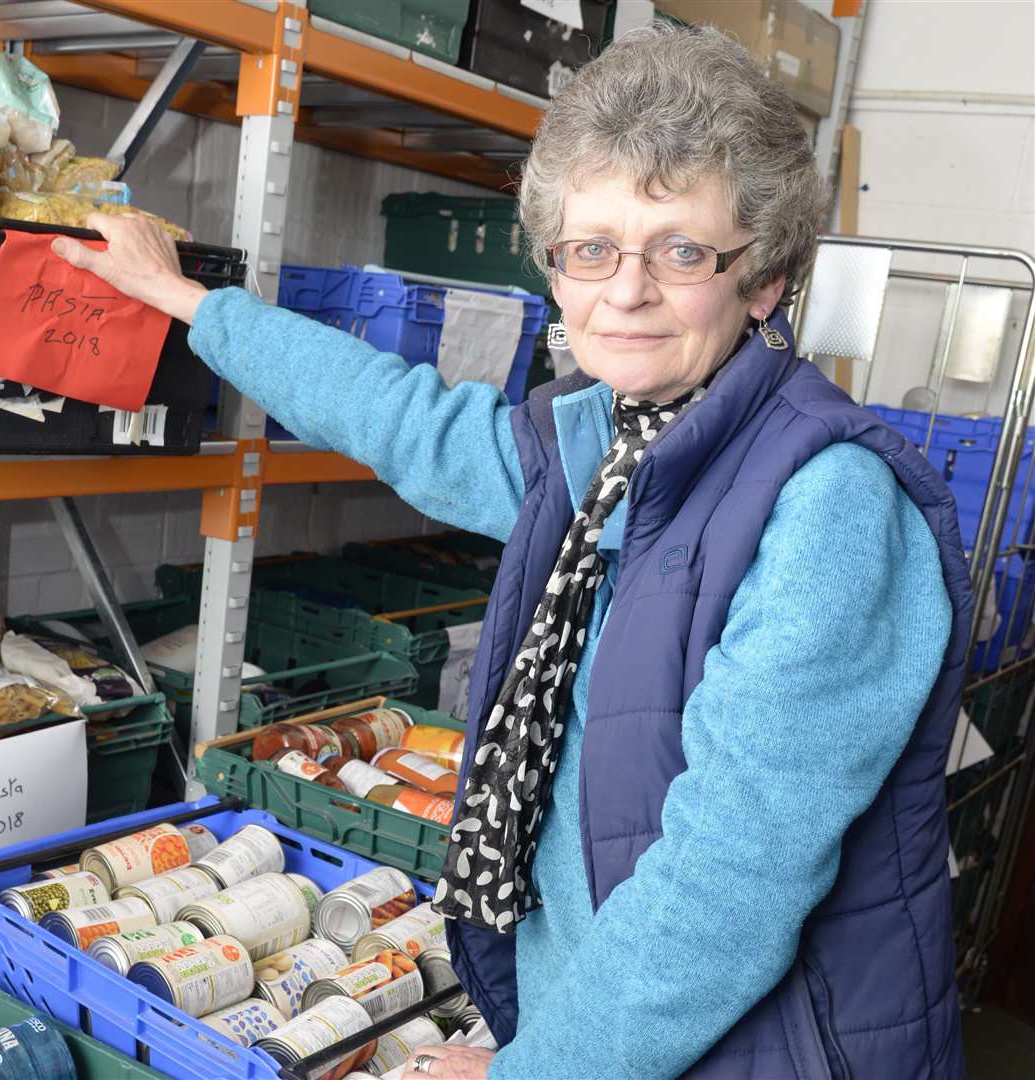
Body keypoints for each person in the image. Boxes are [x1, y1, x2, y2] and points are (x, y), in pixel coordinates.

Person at [53, 24, 971, 1080]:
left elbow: (722, 892)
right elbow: (402, 418)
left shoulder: (829, 510)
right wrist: (190, 305)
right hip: (599, 1023)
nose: (622, 292)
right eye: (590, 249)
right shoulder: (605, 449)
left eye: (678, 251)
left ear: (760, 279)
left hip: (754, 1049)